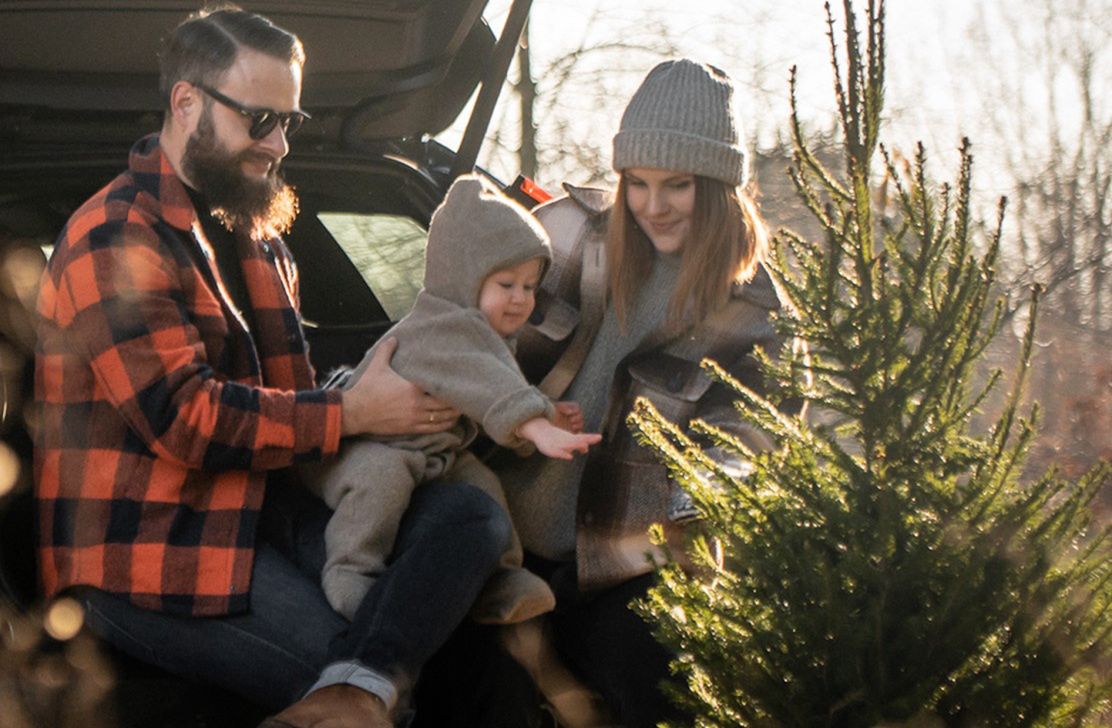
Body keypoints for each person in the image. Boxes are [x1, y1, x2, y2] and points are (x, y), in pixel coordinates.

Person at [33, 7, 521, 728]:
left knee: (470, 515)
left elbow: (287, 404)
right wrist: (353, 412)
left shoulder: (259, 236)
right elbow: (186, 419)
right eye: (261, 118)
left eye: (290, 121)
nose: (279, 144)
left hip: (262, 513)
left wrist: (397, 390)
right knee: (383, 693)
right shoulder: (114, 237)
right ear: (186, 102)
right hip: (144, 559)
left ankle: (363, 678)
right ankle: (364, 683)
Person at [498, 58, 794, 728]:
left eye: (677, 185)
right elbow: (475, 334)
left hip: (632, 575)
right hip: (506, 548)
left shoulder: (758, 320)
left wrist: (668, 541)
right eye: (637, 183)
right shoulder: (568, 233)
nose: (652, 205)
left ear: (719, 188)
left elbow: (742, 466)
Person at [303, 174, 599, 624]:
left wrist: (546, 410)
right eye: (506, 285)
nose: (522, 299)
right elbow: (488, 383)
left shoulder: (486, 334)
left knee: (483, 486)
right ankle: (350, 571)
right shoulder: (440, 325)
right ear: (464, 279)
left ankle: (501, 577)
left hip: (432, 453)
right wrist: (535, 425)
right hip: (362, 449)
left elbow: (493, 384)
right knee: (381, 482)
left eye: (529, 286)